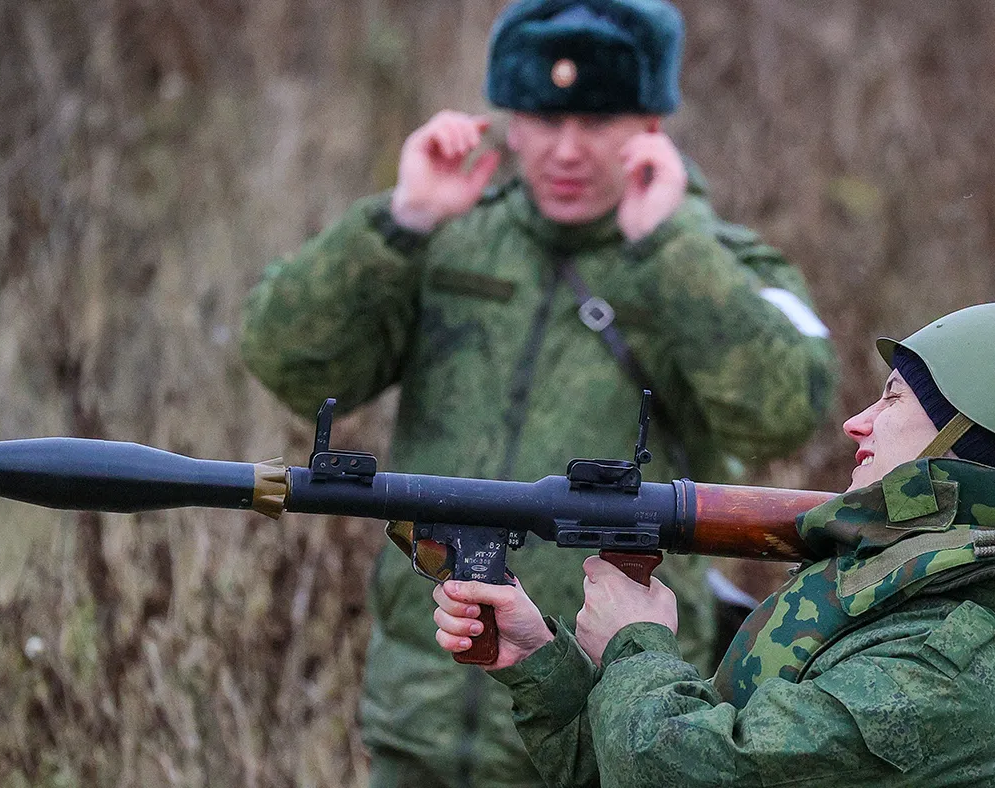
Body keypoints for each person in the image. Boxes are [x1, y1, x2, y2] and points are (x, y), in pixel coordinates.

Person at [239, 0, 837, 784]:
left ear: (652, 122)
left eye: (595, 121)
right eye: (542, 118)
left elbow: (788, 410)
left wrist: (670, 255)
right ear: (507, 121)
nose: (565, 150)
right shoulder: (447, 232)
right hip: (418, 729)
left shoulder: (713, 264)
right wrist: (403, 219)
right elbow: (288, 360)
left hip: (605, 735)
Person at [432, 301, 995, 787]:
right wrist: (541, 666)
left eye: (892, 400)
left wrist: (635, 643)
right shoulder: (902, 599)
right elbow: (627, 765)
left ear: (969, 436)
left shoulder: (950, 664)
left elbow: (683, 774)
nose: (856, 422)